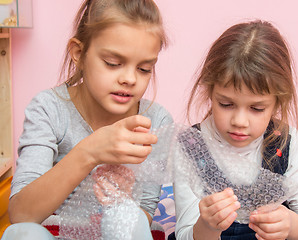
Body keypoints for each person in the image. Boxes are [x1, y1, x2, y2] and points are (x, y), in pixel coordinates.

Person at [3, 0, 172, 239]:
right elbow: (21, 213)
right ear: (79, 54)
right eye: (113, 64)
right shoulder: (50, 109)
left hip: (117, 232)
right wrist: (90, 152)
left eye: (144, 69)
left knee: (130, 220)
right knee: (22, 234)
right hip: (56, 232)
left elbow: (143, 217)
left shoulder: (156, 119)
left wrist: (122, 201)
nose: (129, 78)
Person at [172, 20, 298, 240]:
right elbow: (185, 234)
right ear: (210, 93)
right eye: (226, 104)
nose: (239, 121)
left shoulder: (286, 143)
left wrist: (291, 225)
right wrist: (208, 226)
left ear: (277, 103)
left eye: (256, 108)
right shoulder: (191, 146)